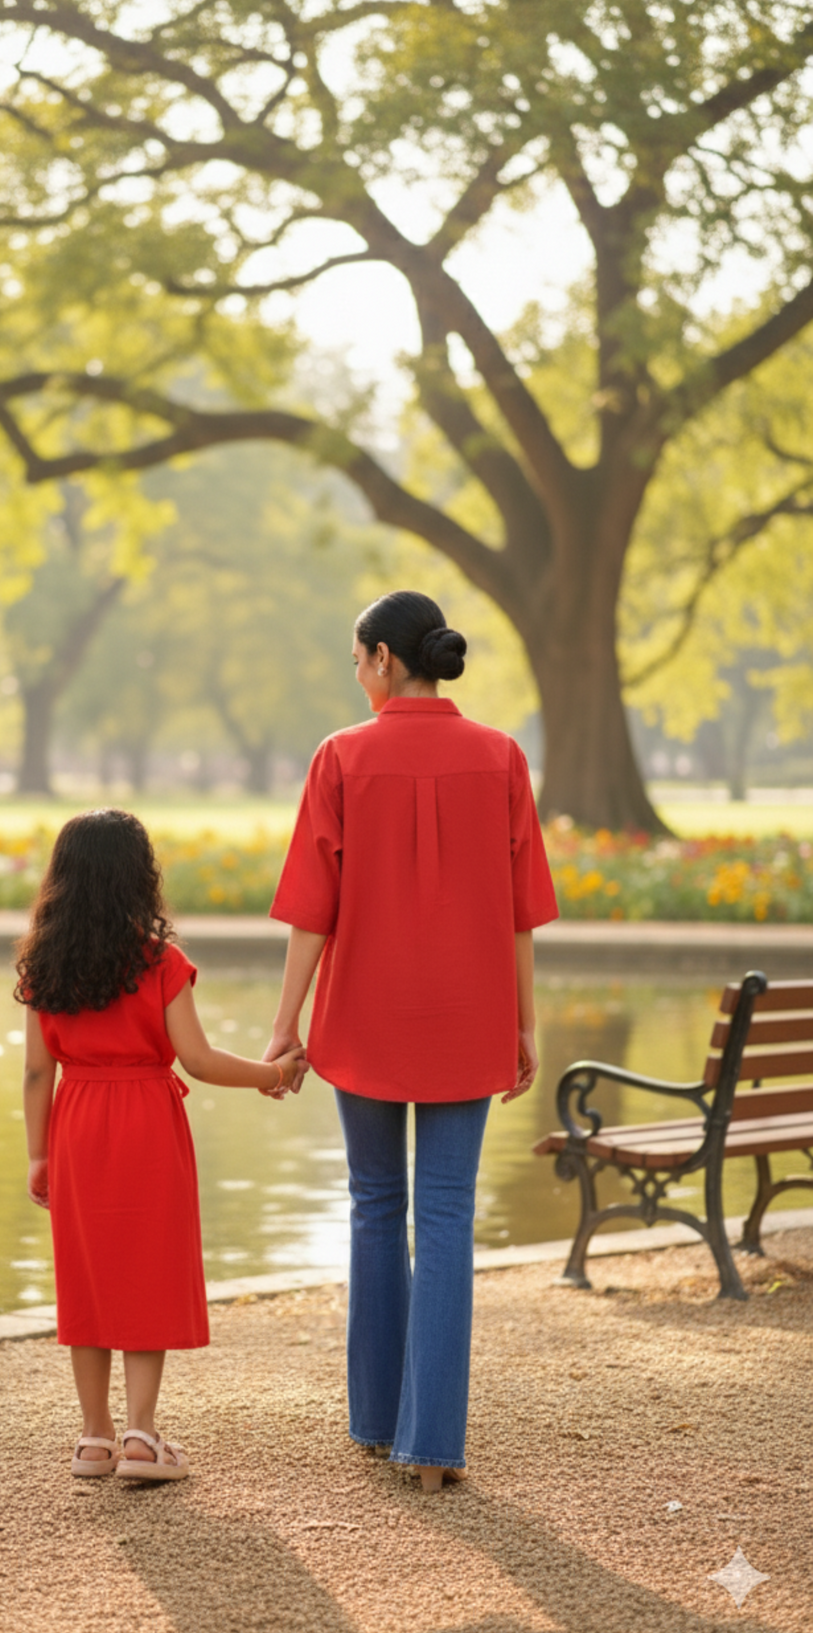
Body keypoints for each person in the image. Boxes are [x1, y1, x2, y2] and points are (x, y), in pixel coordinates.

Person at [264, 590, 558, 1492]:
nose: (356, 678)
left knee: (375, 1208)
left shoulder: (342, 758)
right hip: (469, 1020)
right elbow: (521, 914)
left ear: (385, 658)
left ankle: (375, 1426)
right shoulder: (502, 757)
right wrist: (523, 1021)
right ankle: (433, 1446)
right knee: (445, 1218)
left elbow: (311, 914)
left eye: (357, 661)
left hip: (364, 1019)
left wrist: (284, 1026)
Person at [16, 809, 305, 1484]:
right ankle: (142, 1439)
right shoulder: (159, 962)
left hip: (77, 1123)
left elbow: (36, 1071)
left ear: (61, 878)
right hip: (146, 1119)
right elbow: (197, 1060)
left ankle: (93, 1439)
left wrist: (37, 1154)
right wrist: (272, 1074)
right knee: (145, 1271)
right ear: (139, 878)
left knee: (85, 1277)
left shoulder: (43, 961)